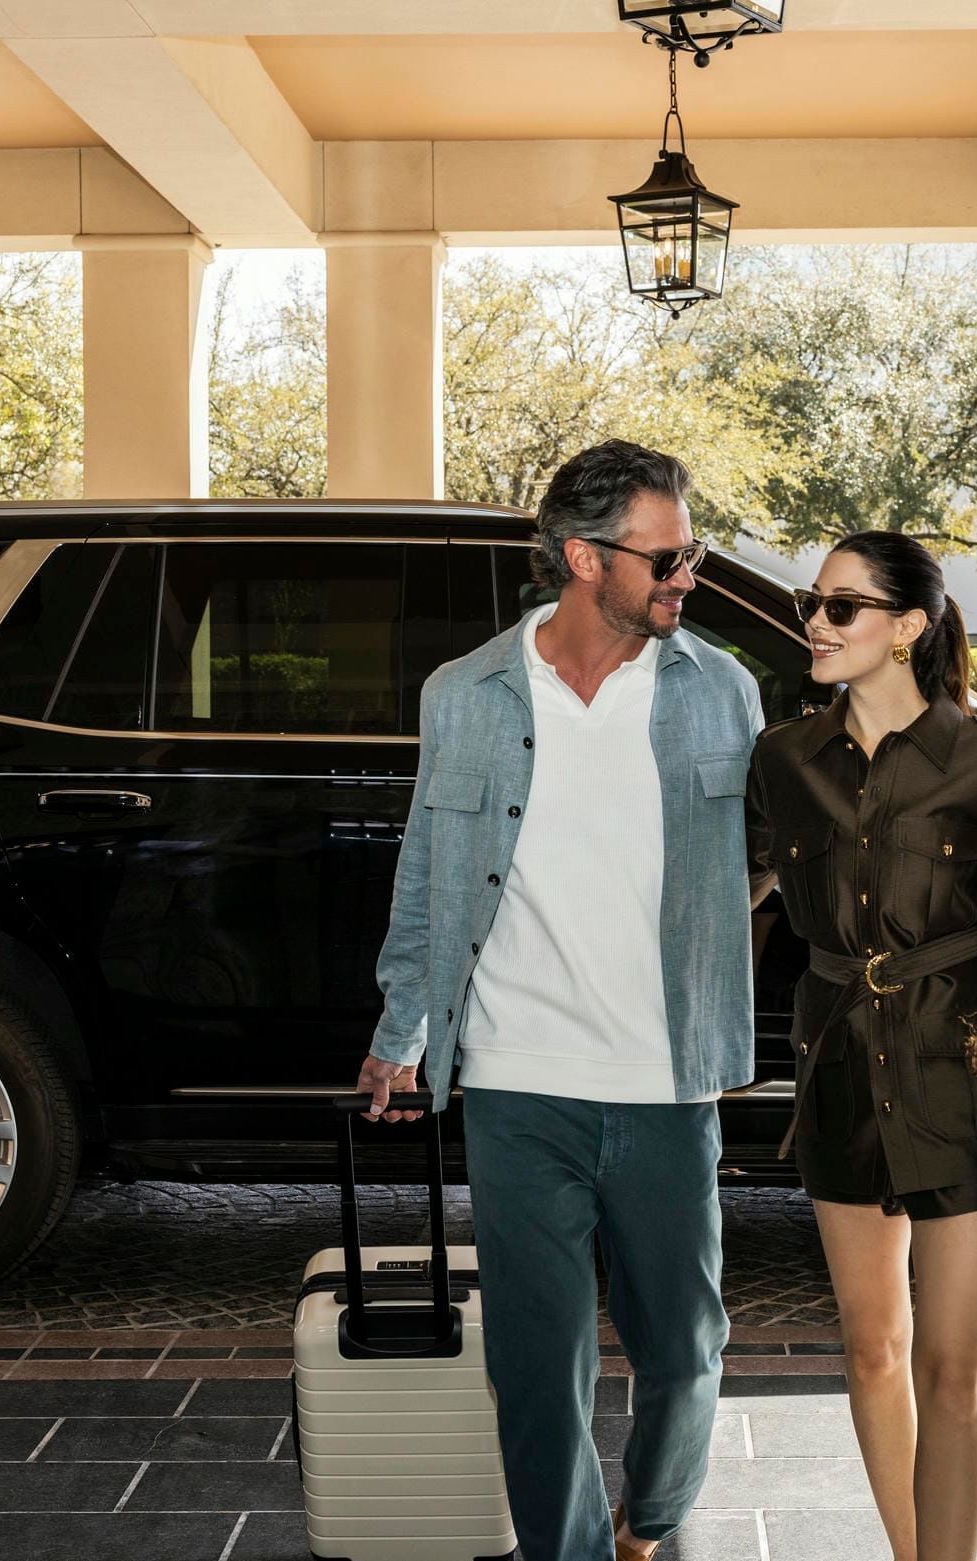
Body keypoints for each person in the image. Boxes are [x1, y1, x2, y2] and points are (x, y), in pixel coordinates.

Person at [356, 440, 765, 1561]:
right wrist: (400, 1032)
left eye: (691, 553)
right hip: (515, 1078)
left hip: (667, 1075)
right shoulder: (467, 695)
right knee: (537, 1367)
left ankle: (654, 1518)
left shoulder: (721, 691)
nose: (688, 576)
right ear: (585, 559)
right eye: (666, 558)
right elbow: (430, 875)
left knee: (683, 1348)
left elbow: (775, 854)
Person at [746, 531, 977, 1561]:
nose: (816, 623)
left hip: (958, 1087)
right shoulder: (784, 759)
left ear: (909, 626)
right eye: (812, 602)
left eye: (842, 607)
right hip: (838, 1074)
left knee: (954, 1371)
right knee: (873, 1348)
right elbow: (738, 892)